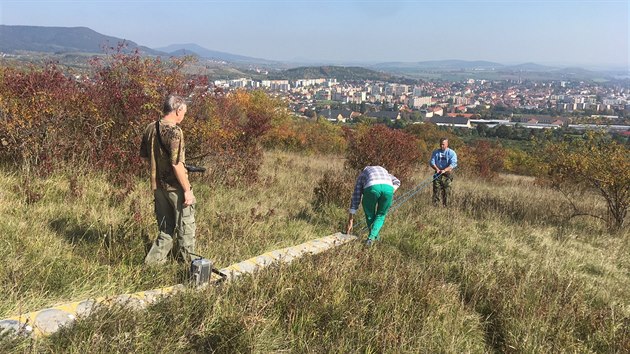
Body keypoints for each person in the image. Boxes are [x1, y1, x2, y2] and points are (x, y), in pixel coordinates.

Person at [140, 95, 197, 265]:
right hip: (175, 188)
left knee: (166, 227)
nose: (184, 116)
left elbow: (145, 157)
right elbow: (177, 164)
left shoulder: (150, 128)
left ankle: (152, 264)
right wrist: (187, 190)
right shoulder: (175, 132)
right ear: (178, 110)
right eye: (184, 112)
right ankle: (190, 267)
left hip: (157, 186)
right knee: (186, 228)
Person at [346, 166, 400, 246]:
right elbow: (397, 181)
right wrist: (391, 190)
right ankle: (374, 238)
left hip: (372, 187)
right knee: (381, 215)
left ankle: (370, 239)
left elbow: (356, 195)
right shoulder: (384, 171)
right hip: (388, 188)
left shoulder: (362, 174)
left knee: (370, 214)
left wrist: (351, 219)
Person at [429, 137, 458, 207]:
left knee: (447, 192)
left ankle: (446, 206)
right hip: (437, 174)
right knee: (436, 191)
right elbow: (432, 162)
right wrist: (437, 169)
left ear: (447, 144)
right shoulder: (436, 152)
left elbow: (453, 164)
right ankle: (435, 206)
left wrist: (445, 170)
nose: (442, 146)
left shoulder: (451, 153)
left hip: (447, 175)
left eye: (443, 144)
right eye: (441, 144)